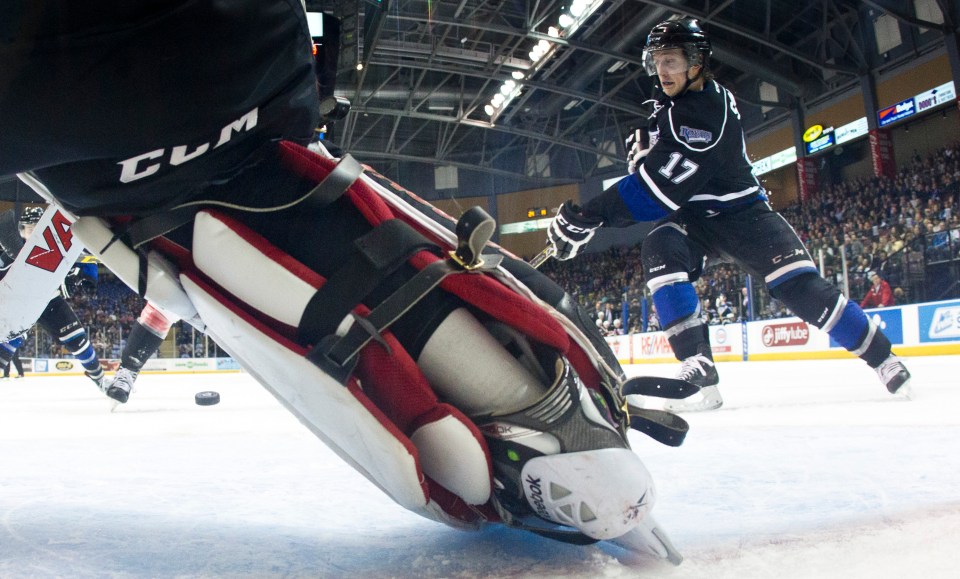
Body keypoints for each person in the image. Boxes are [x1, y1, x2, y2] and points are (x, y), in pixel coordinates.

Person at [0, 1, 676, 558]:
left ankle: (531, 425)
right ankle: (539, 419)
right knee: (280, 198)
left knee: (214, 239)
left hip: (66, 91)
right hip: (251, 57)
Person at [547, 17, 911, 412]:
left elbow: (655, 192)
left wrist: (588, 215)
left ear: (696, 62)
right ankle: (698, 365)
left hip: (743, 214)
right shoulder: (677, 100)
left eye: (671, 61)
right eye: (657, 61)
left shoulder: (702, 113)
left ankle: (884, 358)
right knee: (660, 249)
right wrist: (648, 152)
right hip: (694, 221)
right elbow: (660, 167)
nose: (662, 71)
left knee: (801, 289)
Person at [7, 207, 107, 389]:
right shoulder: (11, 250)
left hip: (49, 298)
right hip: (21, 300)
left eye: (37, 228)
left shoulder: (58, 245)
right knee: (7, 340)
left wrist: (81, 276)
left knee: (78, 341)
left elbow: (86, 255)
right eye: (30, 229)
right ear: (22, 230)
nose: (33, 233)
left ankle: (100, 379)